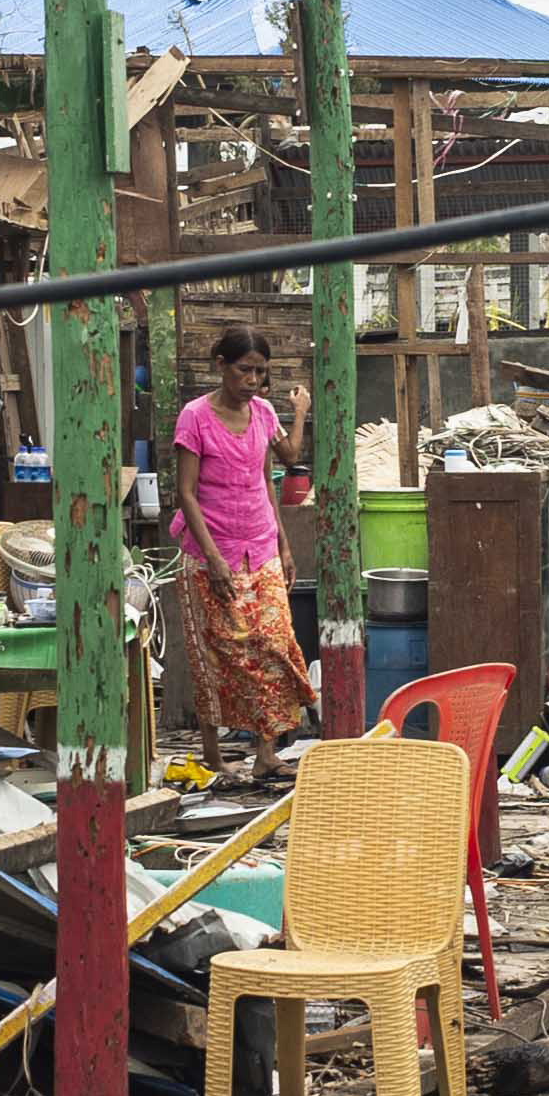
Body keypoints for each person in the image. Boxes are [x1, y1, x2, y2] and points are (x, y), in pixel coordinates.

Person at [167, 327, 319, 779]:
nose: (252, 379)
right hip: (208, 550)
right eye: (243, 369)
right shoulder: (194, 417)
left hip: (260, 544)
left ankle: (266, 754)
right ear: (221, 365)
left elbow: (281, 466)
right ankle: (214, 753)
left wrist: (284, 543)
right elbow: (186, 494)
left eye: (259, 371)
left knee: (274, 645)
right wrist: (212, 558)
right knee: (215, 651)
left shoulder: (264, 412)